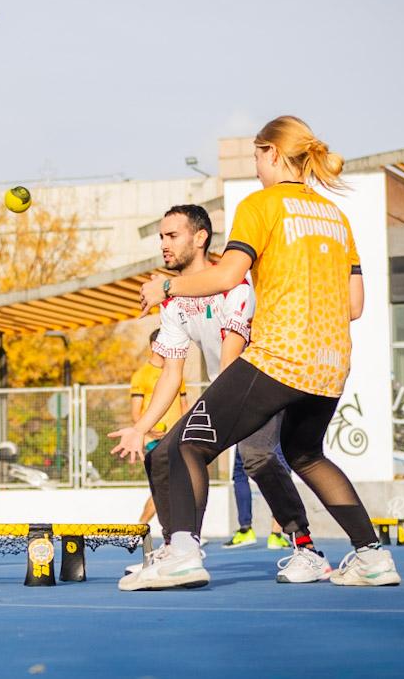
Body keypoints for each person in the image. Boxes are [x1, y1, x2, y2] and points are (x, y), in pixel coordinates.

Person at [112, 115, 400, 590]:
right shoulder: (335, 216)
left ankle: (182, 551)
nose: (255, 165)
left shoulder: (261, 205)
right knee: (305, 454)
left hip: (276, 356)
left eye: (255, 155)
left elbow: (227, 277)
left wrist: (167, 285)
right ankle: (371, 555)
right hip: (329, 362)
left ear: (270, 153)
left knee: (186, 443)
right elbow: (354, 306)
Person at [118, 204, 315, 589]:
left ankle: (306, 548)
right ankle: (179, 549)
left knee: (256, 457)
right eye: (161, 237)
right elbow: (172, 372)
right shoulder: (174, 303)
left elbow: (231, 357)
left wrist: (213, 411)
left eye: (172, 236)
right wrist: (140, 427)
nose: (164, 245)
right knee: (161, 453)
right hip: (225, 389)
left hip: (262, 383)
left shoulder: (234, 285)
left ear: (200, 237)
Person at [129, 330, 189, 538]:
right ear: (154, 345)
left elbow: (184, 406)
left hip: (176, 439)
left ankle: (179, 532)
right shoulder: (141, 375)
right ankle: (142, 526)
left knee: (175, 485)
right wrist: (147, 429)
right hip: (152, 441)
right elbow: (135, 413)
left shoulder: (177, 373)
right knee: (163, 485)